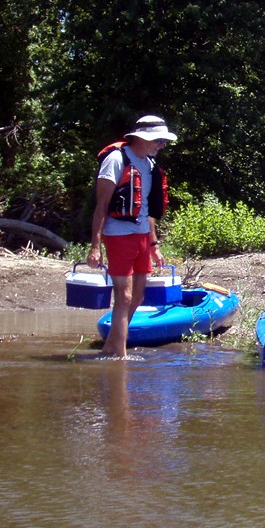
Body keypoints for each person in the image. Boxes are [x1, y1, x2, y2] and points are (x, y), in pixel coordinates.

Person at [86, 114, 177, 357]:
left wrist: (154, 244)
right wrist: (95, 246)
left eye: (163, 142)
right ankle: (120, 355)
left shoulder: (149, 166)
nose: (161, 146)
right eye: (158, 141)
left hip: (142, 236)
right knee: (123, 296)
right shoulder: (116, 160)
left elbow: (147, 210)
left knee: (137, 295)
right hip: (118, 235)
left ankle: (111, 348)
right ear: (142, 138)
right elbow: (101, 206)